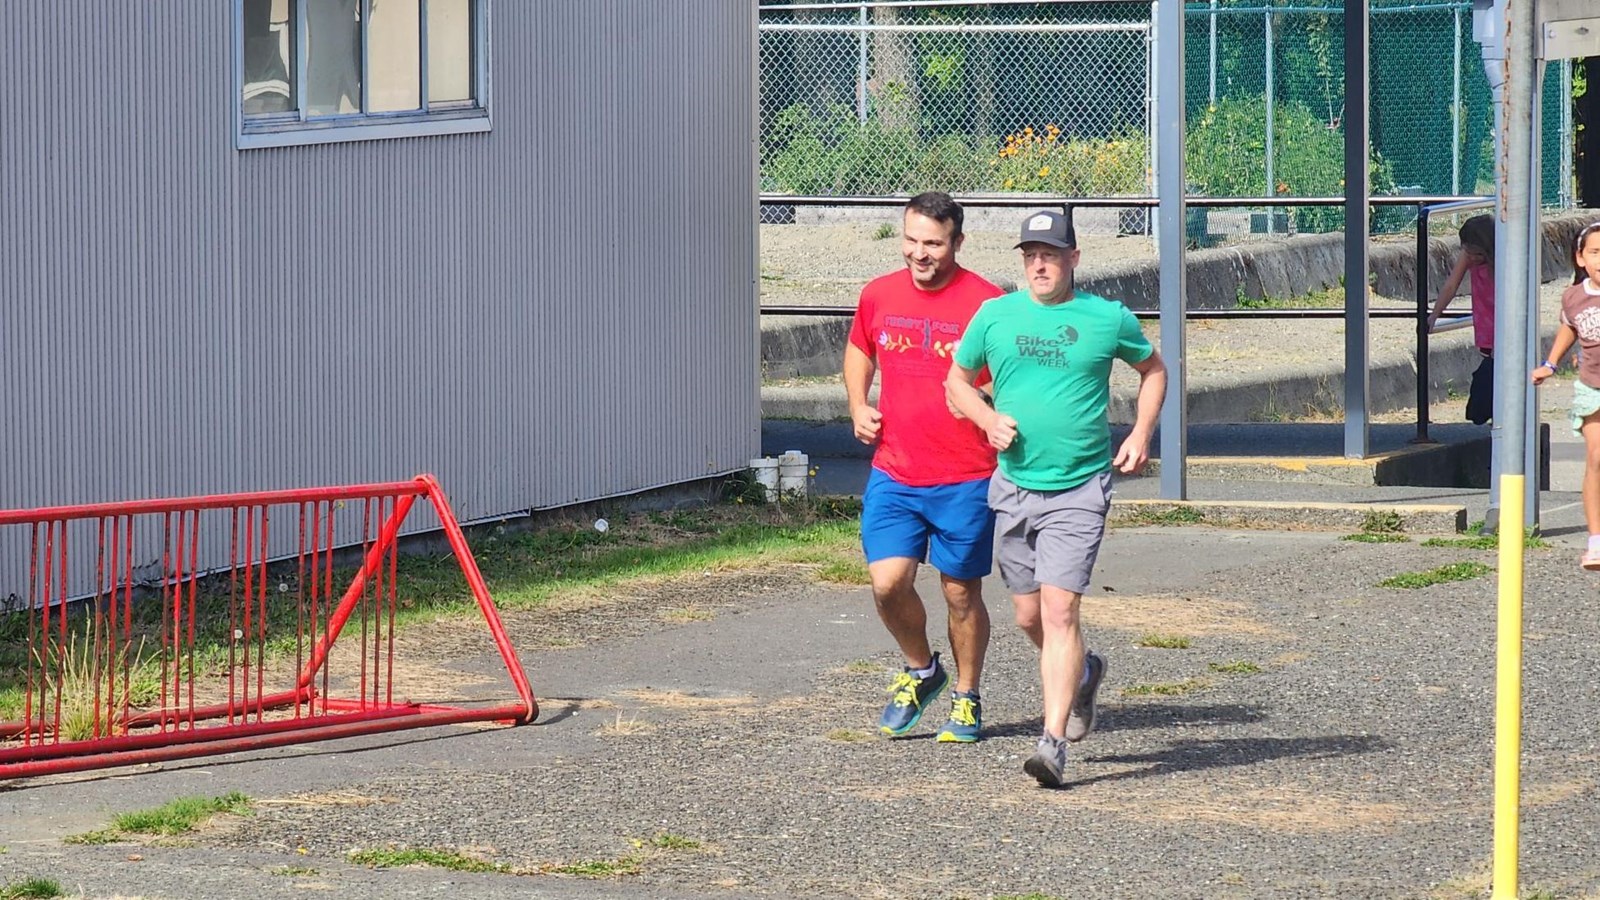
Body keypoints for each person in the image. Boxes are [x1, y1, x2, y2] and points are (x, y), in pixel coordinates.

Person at [946, 209, 1168, 788]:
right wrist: (988, 419)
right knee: (1027, 613)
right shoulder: (996, 315)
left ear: (1074, 258)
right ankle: (1085, 672)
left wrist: (1141, 434)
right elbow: (956, 381)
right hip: (1015, 486)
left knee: (1060, 610)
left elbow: (1153, 370)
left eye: (1049, 254)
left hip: (1080, 485)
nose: (1039, 264)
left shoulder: (1106, 318)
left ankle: (1052, 744)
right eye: (1029, 255)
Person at [844, 191, 1003, 743]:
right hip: (896, 471)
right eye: (911, 241)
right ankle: (921, 669)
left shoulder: (988, 304)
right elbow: (861, 348)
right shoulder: (879, 294)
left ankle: (966, 696)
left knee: (961, 593)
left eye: (933, 243)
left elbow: (1009, 377)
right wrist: (858, 403)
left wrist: (990, 413)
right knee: (888, 585)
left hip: (966, 476)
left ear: (957, 242)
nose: (920, 253)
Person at [1532, 221, 1600, 571]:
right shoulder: (1574, 297)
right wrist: (1550, 363)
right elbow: (1568, 329)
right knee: (1597, 457)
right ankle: (1596, 541)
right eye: (1595, 252)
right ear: (1581, 258)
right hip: (1592, 388)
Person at [1427, 214, 1496, 425]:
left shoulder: (1502, 262)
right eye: (1467, 251)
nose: (1471, 257)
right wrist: (1434, 315)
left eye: (1476, 253)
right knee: (1489, 376)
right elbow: (1451, 285)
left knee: (1488, 385)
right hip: (1486, 324)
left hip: (1501, 326)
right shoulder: (1468, 257)